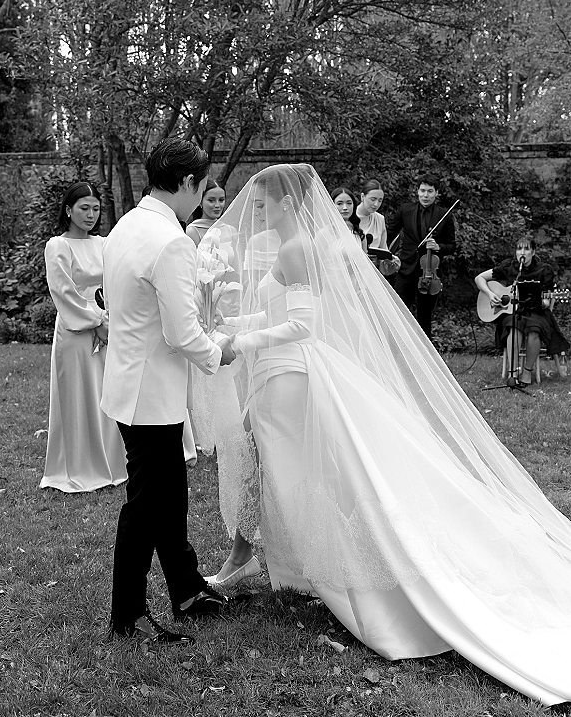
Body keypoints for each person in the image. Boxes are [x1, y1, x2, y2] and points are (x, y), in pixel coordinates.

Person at [203, 163, 571, 705]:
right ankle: (290, 563)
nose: (254, 212)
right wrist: (235, 325)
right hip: (280, 370)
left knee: (302, 475)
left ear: (283, 204)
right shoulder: (296, 245)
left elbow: (302, 325)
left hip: (291, 376)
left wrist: (243, 341)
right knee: (287, 473)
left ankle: (341, 570)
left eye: (260, 203)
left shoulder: (295, 248)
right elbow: (280, 309)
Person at [101, 137, 235, 645]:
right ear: (185, 184)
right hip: (150, 392)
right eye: (201, 186)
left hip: (130, 383)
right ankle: (127, 614)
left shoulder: (126, 226)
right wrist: (218, 353)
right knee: (146, 503)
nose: (203, 195)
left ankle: (186, 588)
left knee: (169, 492)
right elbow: (182, 333)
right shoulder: (171, 240)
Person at [41, 183, 127, 493]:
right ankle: (80, 465)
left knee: (107, 393)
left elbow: (117, 280)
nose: (90, 215)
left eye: (95, 208)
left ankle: (113, 461)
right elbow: (63, 292)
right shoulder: (57, 246)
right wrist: (94, 323)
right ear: (68, 210)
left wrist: (110, 319)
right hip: (75, 329)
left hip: (107, 322)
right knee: (79, 396)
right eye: (83, 208)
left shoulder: (104, 243)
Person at [475, 237, 569, 385]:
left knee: (534, 329)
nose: (522, 252)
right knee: (513, 327)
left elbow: (545, 301)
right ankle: (513, 372)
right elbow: (479, 278)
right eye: (519, 249)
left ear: (533, 251)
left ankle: (526, 372)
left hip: (536, 311)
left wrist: (544, 301)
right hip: (512, 312)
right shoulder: (508, 267)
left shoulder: (543, 270)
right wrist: (490, 294)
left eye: (526, 249)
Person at [387, 174, 455, 339]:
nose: (426, 195)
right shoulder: (405, 210)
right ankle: (397, 351)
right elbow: (389, 233)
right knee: (399, 312)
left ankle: (425, 357)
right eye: (422, 190)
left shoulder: (444, 215)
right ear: (417, 192)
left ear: (436, 193)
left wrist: (438, 247)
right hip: (406, 268)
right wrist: (387, 254)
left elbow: (452, 246)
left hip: (429, 273)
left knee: (424, 317)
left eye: (430, 191)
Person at [186, 179, 226, 246]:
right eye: (211, 200)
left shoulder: (231, 230)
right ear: (200, 202)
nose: (217, 205)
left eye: (221, 200)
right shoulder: (192, 232)